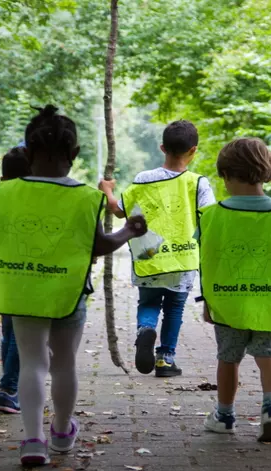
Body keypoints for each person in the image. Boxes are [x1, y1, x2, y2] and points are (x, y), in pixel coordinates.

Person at [0, 105, 147, 466]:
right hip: (69, 294)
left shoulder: (6, 193)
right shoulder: (86, 197)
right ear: (75, 155)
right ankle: (63, 431)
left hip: (22, 292)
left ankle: (33, 440)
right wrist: (128, 230)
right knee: (64, 364)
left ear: (29, 151)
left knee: (33, 362)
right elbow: (99, 246)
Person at [199, 138, 271, 442]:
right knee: (269, 354)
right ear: (266, 171)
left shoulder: (212, 215)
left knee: (228, 357)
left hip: (229, 302)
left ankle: (224, 415)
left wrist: (207, 301)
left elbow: (206, 259)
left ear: (225, 175)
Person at [99, 120, 215, 377]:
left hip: (148, 254)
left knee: (148, 302)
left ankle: (145, 330)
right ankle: (165, 359)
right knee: (175, 308)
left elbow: (118, 211)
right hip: (182, 258)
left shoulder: (143, 180)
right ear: (193, 150)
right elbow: (210, 220)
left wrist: (107, 190)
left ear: (162, 148)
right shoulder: (198, 183)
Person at [0, 147, 32, 414]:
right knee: (21, 333)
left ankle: (7, 387)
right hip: (29, 273)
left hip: (3, 273)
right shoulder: (34, 198)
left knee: (9, 330)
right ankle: (9, 389)